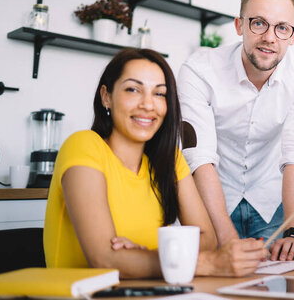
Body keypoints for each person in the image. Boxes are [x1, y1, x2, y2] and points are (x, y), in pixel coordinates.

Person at [44, 49, 267, 279]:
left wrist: (142, 259)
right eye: (133, 89)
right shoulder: (83, 145)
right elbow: (104, 259)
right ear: (106, 96)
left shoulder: (170, 160)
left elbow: (207, 240)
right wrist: (207, 264)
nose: (148, 105)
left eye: (159, 94)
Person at [178, 0, 294, 261]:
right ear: (239, 26)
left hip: (270, 201)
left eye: (282, 28)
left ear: (293, 36)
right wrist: (228, 239)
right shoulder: (199, 70)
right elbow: (199, 156)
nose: (270, 37)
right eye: (258, 23)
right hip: (211, 200)